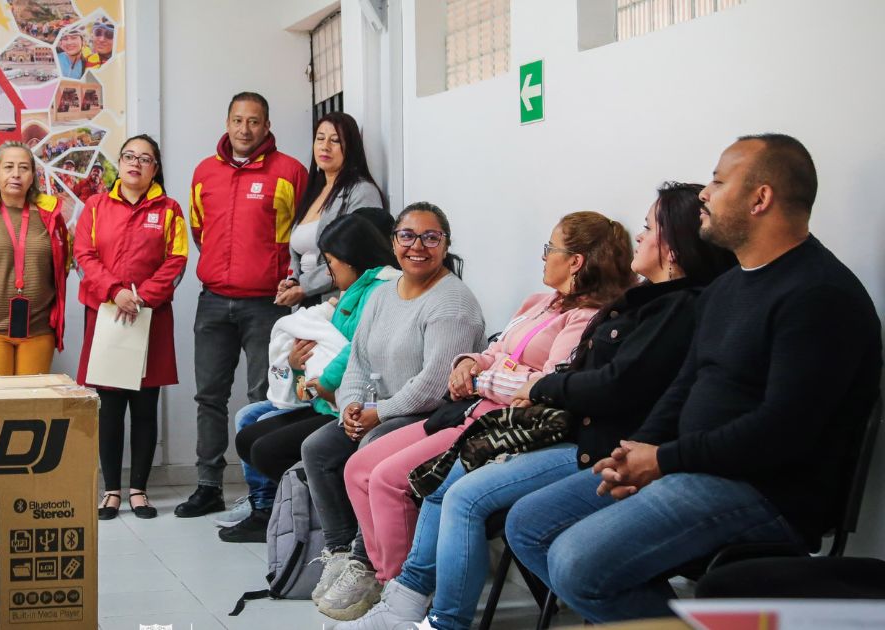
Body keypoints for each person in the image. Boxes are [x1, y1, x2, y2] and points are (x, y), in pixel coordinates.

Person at [506, 134, 882, 624]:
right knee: (528, 524)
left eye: (719, 181)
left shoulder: (820, 295)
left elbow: (781, 432)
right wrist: (636, 450)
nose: (704, 192)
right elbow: (687, 384)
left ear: (760, 198)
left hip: (766, 491)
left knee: (578, 563)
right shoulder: (728, 286)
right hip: (693, 467)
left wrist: (662, 459)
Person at [344, 184, 737, 630]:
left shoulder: (653, 309)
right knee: (395, 475)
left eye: (648, 228)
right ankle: (401, 599)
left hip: (562, 436)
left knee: (455, 495)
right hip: (512, 419)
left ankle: (435, 615)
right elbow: (509, 356)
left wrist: (528, 381)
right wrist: (480, 365)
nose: (640, 237)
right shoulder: (615, 304)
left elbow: (591, 384)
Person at [324, 211, 633, 622]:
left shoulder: (584, 319)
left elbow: (544, 386)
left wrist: (481, 375)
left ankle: (410, 596)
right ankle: (395, 591)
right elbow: (496, 351)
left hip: (512, 428)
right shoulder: (539, 303)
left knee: (397, 480)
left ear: (575, 261)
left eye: (550, 248)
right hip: (477, 411)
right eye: (406, 236)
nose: (543, 257)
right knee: (360, 465)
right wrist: (472, 362)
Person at [300, 202, 486, 619]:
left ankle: (370, 563)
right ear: (393, 242)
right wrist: (350, 405)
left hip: (430, 415)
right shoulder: (383, 294)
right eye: (407, 236)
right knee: (318, 449)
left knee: (371, 444)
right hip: (378, 408)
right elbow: (358, 362)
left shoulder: (453, 302)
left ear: (445, 244)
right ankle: (343, 550)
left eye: (430, 237)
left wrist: (377, 414)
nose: (417, 246)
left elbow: (435, 384)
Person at [220, 211, 399, 543]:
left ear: (350, 259)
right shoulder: (352, 292)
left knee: (267, 449)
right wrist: (299, 365)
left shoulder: (380, 291)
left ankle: (333, 527)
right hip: (325, 400)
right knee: (249, 438)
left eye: (331, 263)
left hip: (349, 401)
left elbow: (356, 348)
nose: (329, 273)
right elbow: (322, 343)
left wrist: (325, 382)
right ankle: (299, 509)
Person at [176, 92, 308, 518]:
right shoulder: (203, 173)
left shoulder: (290, 172)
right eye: (238, 120)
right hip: (213, 301)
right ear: (227, 122)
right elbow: (201, 232)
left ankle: (262, 496)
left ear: (267, 125)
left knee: (264, 397)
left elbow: (302, 236)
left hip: (266, 305)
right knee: (209, 398)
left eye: (254, 122)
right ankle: (207, 486)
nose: (245, 129)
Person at [75, 134, 188, 520]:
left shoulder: (170, 210)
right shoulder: (94, 206)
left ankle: (139, 490)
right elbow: (84, 255)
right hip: (106, 316)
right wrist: (114, 291)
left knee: (144, 407)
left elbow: (176, 261)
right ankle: (111, 491)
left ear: (156, 168)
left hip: (149, 319)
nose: (135, 164)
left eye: (145, 158)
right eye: (128, 156)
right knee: (109, 408)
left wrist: (141, 297)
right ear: (118, 163)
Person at [0, 141, 69, 376]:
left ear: (33, 175)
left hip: (38, 331)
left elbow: (61, 268)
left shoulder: (50, 218)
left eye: (23, 168)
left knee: (30, 409)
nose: (16, 174)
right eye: (8, 167)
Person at [276, 112, 385, 308]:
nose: (325, 146)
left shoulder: (361, 191)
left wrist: (304, 287)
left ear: (351, 148)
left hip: (336, 301)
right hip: (305, 300)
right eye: (320, 138)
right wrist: (292, 280)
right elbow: (298, 252)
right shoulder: (315, 190)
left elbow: (355, 254)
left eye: (335, 140)